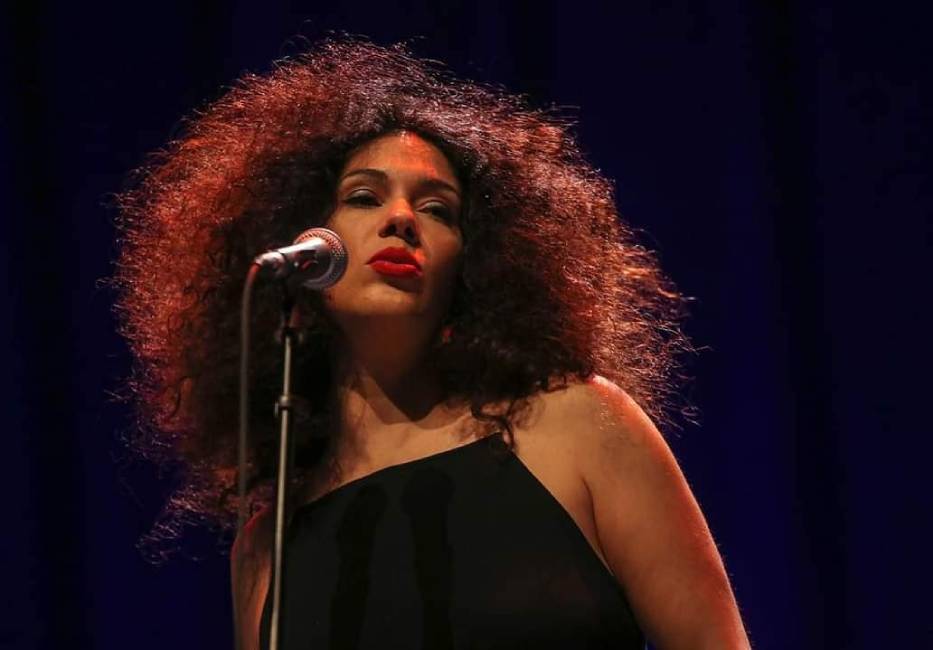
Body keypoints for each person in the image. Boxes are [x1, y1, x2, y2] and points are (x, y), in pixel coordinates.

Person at [114, 38, 751, 649]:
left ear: (473, 266)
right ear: (302, 251)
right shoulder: (265, 545)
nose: (401, 219)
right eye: (363, 197)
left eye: (438, 209)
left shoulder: (582, 426)